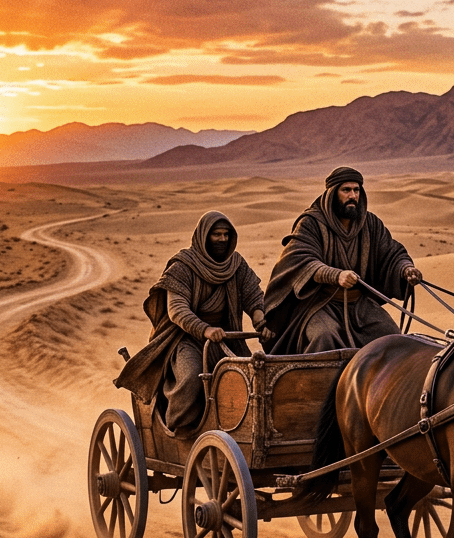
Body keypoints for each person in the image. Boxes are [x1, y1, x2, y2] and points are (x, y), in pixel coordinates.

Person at [115, 211, 271, 431]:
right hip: (185, 341)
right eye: (216, 234)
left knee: (254, 377)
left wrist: (260, 321)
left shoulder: (236, 265)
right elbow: (177, 310)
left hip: (226, 340)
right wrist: (204, 329)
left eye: (226, 235)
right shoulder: (183, 266)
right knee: (192, 377)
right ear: (204, 236)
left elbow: (253, 296)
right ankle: (179, 429)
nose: (222, 240)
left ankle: (239, 429)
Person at [263, 166, 421, 353]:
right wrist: (335, 275)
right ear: (332, 193)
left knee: (392, 338)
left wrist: (405, 269)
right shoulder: (311, 223)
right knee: (324, 337)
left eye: (356, 190)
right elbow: (301, 259)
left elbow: (392, 254)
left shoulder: (370, 224)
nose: (352, 195)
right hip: (319, 303)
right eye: (346, 190)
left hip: (359, 304)